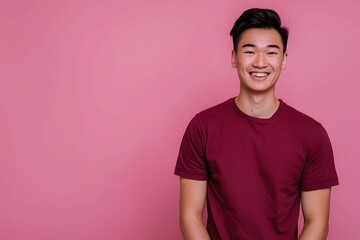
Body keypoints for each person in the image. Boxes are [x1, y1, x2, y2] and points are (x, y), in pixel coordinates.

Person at [174, 8, 339, 240]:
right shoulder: (202, 127)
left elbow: (317, 222)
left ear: (284, 60)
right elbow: (190, 216)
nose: (260, 62)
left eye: (271, 52)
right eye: (249, 51)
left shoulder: (312, 134)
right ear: (234, 58)